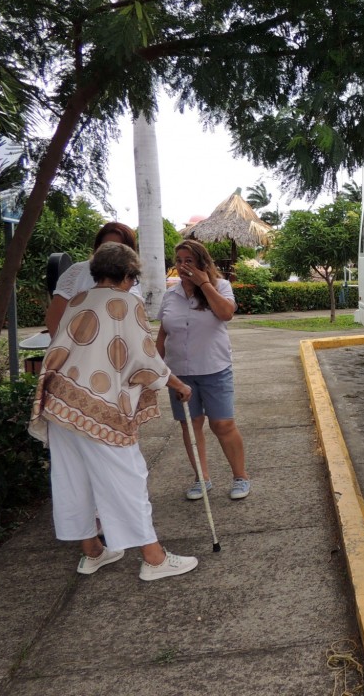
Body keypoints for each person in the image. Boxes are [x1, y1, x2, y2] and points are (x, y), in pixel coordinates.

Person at [29, 243, 198, 581]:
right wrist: (176, 384)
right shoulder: (127, 303)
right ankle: (153, 558)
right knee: (128, 478)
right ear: (128, 276)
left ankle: (92, 552)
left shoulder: (78, 301)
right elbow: (145, 359)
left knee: (72, 479)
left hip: (60, 402)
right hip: (99, 408)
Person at [156, 239, 251, 501]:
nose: (183, 266)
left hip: (214, 368)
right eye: (179, 261)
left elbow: (226, 313)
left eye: (189, 261)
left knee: (223, 424)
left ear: (201, 263)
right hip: (180, 373)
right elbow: (163, 332)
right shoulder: (170, 295)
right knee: (190, 424)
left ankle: (240, 476)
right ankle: (202, 478)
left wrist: (204, 284)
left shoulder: (221, 286)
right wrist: (155, 366)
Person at [45, 221, 141, 334]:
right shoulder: (77, 272)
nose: (113, 252)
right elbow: (54, 320)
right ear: (97, 247)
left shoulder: (132, 276)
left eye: (119, 247)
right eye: (107, 246)